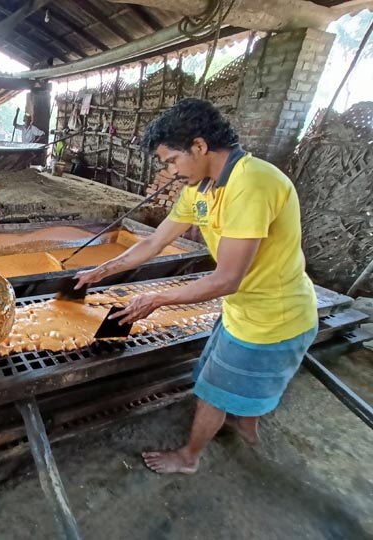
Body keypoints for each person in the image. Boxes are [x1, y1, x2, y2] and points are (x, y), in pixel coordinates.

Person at [75, 98, 318, 474]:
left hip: (273, 317)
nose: (171, 171)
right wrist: (104, 270)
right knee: (231, 381)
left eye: (172, 160)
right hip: (242, 309)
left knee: (212, 393)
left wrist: (157, 298)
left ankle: (189, 457)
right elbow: (155, 242)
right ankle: (244, 427)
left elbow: (227, 278)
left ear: (200, 147)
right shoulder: (201, 189)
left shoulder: (252, 183)